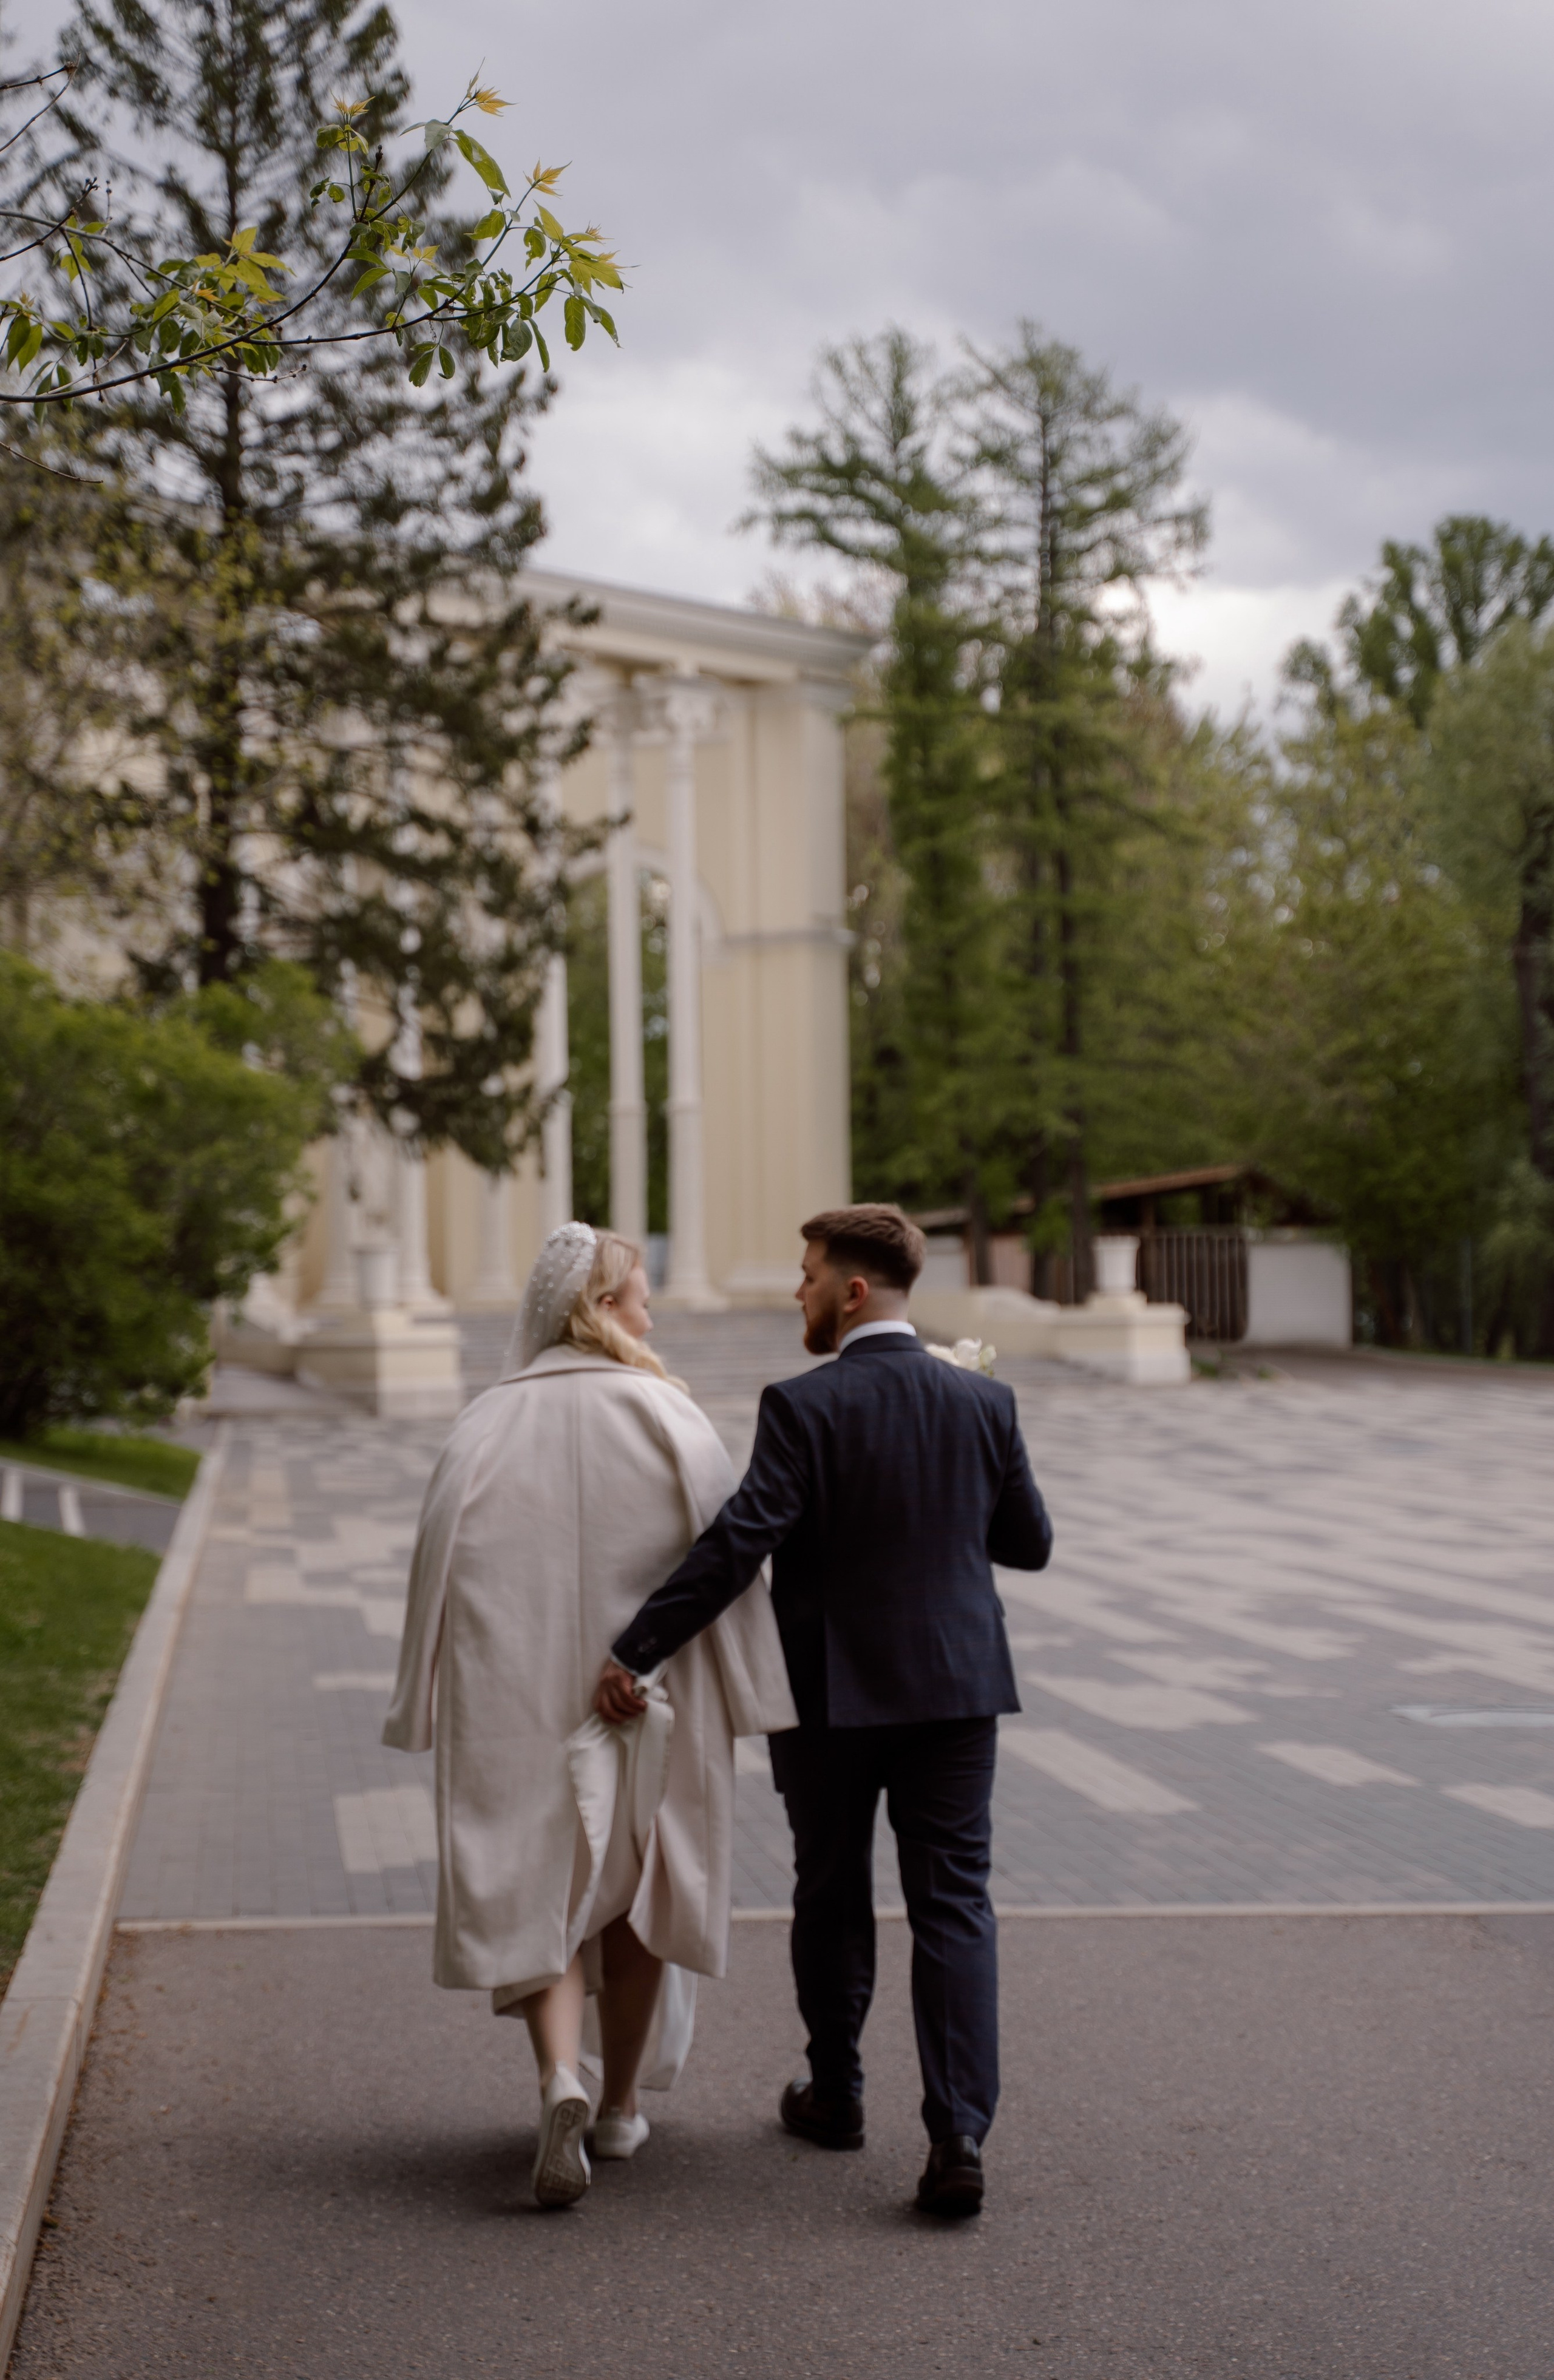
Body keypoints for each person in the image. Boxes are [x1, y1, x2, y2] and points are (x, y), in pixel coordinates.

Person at [595, 1202, 1053, 2218]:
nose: (796, 1291)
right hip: (956, 1690)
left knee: (832, 1889)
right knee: (954, 1903)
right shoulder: (985, 1400)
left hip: (835, 1695)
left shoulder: (805, 1405)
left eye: (807, 1275)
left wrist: (637, 1647)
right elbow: (1029, 1543)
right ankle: (959, 2134)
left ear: (852, 1290)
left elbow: (738, 1541)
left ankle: (838, 2094)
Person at [384, 1224, 796, 2209]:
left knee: (542, 1883)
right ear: (602, 1308)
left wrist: (422, 1696)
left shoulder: (484, 1424)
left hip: (516, 1691)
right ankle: (616, 2110)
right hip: (653, 1690)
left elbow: (434, 1565)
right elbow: (726, 1560)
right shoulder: (667, 1414)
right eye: (642, 1295)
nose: (652, 1312)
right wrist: (754, 1693)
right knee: (642, 1885)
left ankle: (556, 2075)